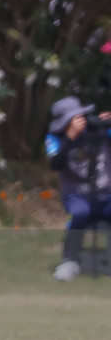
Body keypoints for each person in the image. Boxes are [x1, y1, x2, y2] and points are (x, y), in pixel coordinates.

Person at [45, 96, 111, 281]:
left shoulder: (98, 130)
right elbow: (55, 164)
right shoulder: (55, 138)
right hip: (76, 196)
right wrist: (69, 138)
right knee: (80, 213)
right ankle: (70, 261)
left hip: (106, 194)